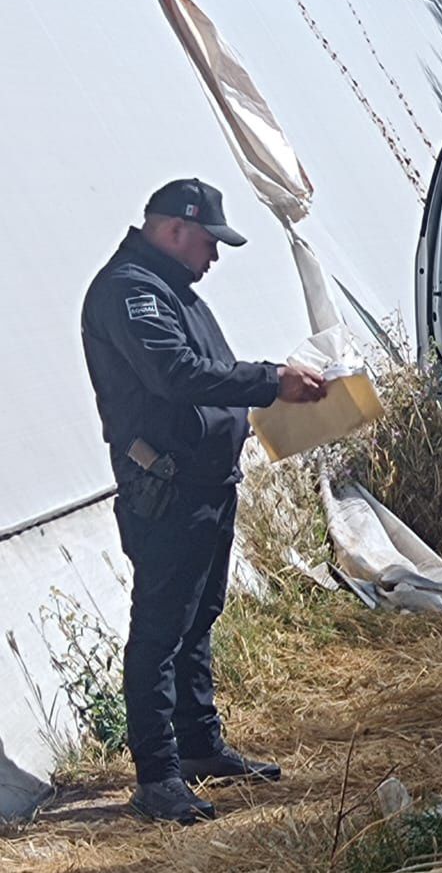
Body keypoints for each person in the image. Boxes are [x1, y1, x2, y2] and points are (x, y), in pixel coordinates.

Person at [81, 178, 327, 824]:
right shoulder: (131, 291)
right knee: (161, 627)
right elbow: (177, 375)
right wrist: (271, 380)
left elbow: (205, 371)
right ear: (173, 229)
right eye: (208, 242)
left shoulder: (173, 293)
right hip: (166, 488)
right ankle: (158, 774)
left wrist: (261, 388)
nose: (213, 257)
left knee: (198, 616)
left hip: (205, 484)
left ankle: (197, 745)